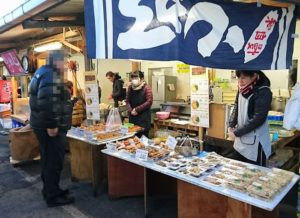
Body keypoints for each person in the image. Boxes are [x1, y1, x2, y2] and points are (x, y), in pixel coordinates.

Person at [29, 50, 74, 207]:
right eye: (65, 63)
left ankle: (50, 190)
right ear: (57, 62)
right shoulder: (51, 75)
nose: (67, 67)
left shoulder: (43, 72)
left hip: (41, 124)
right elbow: (48, 102)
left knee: (48, 159)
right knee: (54, 162)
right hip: (50, 127)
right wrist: (52, 125)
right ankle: (53, 197)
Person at [228, 70, 272, 166]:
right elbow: (236, 105)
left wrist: (237, 132)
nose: (240, 81)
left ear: (254, 76)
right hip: (241, 140)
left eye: (243, 77)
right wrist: (231, 124)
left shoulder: (263, 91)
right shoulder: (242, 88)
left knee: (255, 175)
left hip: (256, 142)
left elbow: (258, 118)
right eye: (238, 77)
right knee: (237, 170)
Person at [126, 71, 153, 137]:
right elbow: (127, 101)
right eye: (132, 78)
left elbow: (149, 101)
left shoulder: (146, 88)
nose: (134, 80)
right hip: (132, 117)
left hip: (143, 117)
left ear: (142, 78)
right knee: (133, 137)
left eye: (136, 78)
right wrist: (130, 110)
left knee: (143, 138)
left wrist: (137, 109)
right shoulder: (130, 88)